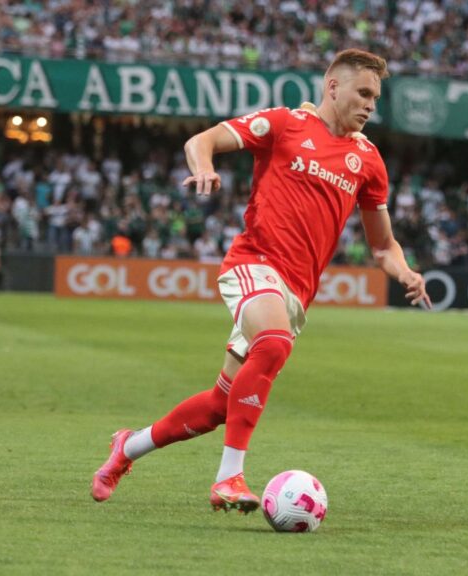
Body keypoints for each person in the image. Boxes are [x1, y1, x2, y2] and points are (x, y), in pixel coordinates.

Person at [90, 49, 431, 513]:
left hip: (295, 293)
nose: (371, 105)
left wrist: (405, 271)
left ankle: (127, 448)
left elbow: (383, 246)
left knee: (219, 405)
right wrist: (204, 167)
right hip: (254, 263)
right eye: (364, 93)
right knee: (272, 343)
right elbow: (202, 140)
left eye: (376, 97)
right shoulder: (285, 124)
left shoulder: (368, 160)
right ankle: (228, 478)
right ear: (333, 87)